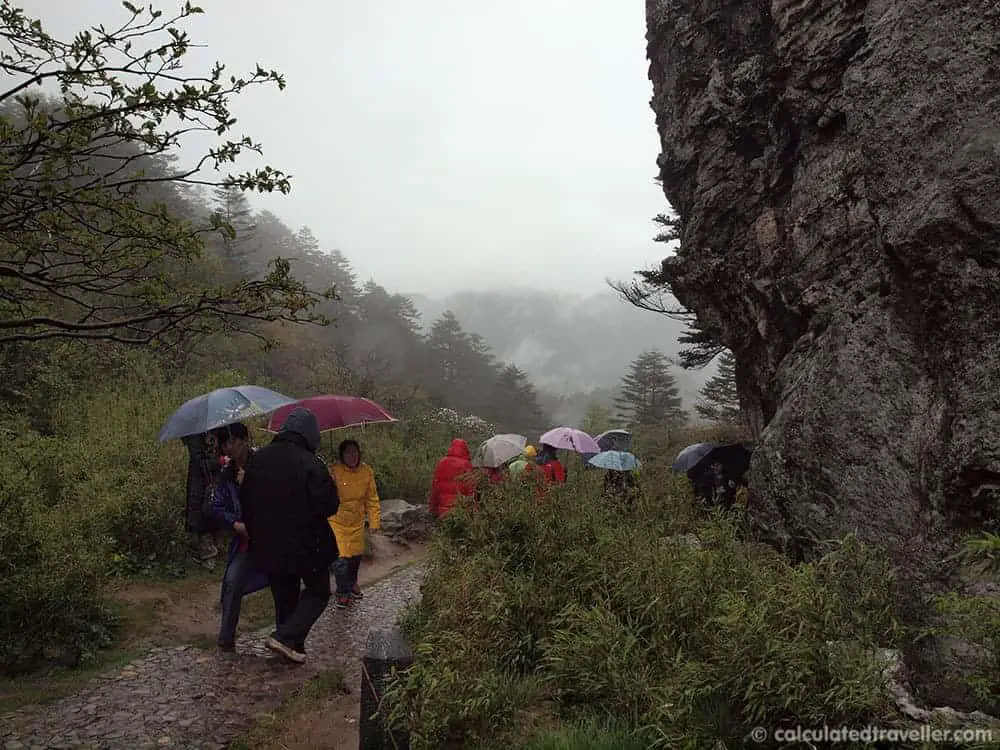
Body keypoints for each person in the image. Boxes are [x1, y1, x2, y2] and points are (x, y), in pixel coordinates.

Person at [239, 407, 339, 664]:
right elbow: (328, 505)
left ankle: (291, 649)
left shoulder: (258, 460)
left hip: (268, 544)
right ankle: (285, 638)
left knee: (285, 596)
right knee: (318, 592)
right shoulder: (310, 463)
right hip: (307, 544)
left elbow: (246, 502)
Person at [209, 423, 268, 654]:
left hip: (271, 539)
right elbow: (216, 506)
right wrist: (234, 523)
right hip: (245, 541)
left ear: (244, 440)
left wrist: (251, 482)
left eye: (232, 442)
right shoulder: (226, 475)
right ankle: (226, 639)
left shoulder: (264, 464)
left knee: (284, 583)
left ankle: (287, 636)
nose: (229, 448)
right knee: (232, 583)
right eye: (225, 444)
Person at [328, 439, 381, 610]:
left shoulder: (367, 472)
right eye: (348, 452)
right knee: (340, 560)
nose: (352, 455)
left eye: (355, 451)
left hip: (356, 522)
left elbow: (372, 498)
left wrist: (374, 521)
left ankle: (352, 583)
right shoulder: (334, 471)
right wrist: (329, 480)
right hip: (337, 521)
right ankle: (343, 593)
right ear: (342, 455)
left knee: (355, 558)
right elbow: (324, 494)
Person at [182, 431, 225, 568]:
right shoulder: (194, 433)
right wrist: (220, 461)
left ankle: (215, 549)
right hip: (200, 481)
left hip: (218, 477)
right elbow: (198, 460)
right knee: (202, 514)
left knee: (217, 511)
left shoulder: (221, 426)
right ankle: (207, 554)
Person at [428, 438, 476, 518]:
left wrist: (433, 509)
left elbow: (435, 488)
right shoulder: (467, 465)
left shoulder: (442, 463)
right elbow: (470, 490)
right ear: (465, 450)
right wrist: (474, 511)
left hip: (442, 512)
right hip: (460, 512)